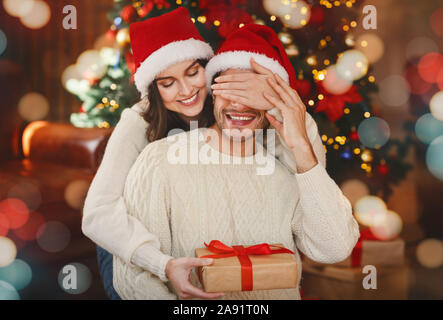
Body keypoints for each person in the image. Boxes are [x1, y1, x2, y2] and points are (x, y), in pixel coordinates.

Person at [112, 24, 360, 300]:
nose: (240, 106)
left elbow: (334, 248)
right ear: (213, 92)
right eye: (232, 89)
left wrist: (301, 146)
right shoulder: (159, 161)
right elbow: (133, 277)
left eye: (253, 94)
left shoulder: (289, 171)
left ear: (275, 104)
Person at [81, 8, 308, 299]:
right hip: (129, 241)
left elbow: (297, 158)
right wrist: (159, 263)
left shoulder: (228, 103)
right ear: (153, 88)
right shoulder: (139, 120)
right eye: (168, 83)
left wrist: (280, 102)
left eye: (193, 72)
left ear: (207, 67)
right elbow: (98, 214)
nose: (187, 90)